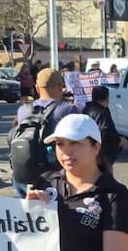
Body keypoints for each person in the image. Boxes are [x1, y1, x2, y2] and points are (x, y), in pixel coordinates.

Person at [25, 114, 128, 251]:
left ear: (96, 147)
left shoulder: (114, 194)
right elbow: (27, 242)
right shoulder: (46, 183)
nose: (66, 152)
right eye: (60, 144)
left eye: (75, 143)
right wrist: (27, 210)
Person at [12, 68, 79, 196]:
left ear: (37, 88)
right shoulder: (68, 109)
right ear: (61, 87)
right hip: (54, 173)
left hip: (26, 170)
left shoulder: (23, 111)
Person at [82, 85, 126, 174]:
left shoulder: (86, 109)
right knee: (106, 175)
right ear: (107, 97)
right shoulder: (102, 112)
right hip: (103, 152)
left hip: (89, 149)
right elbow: (106, 132)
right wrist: (119, 140)